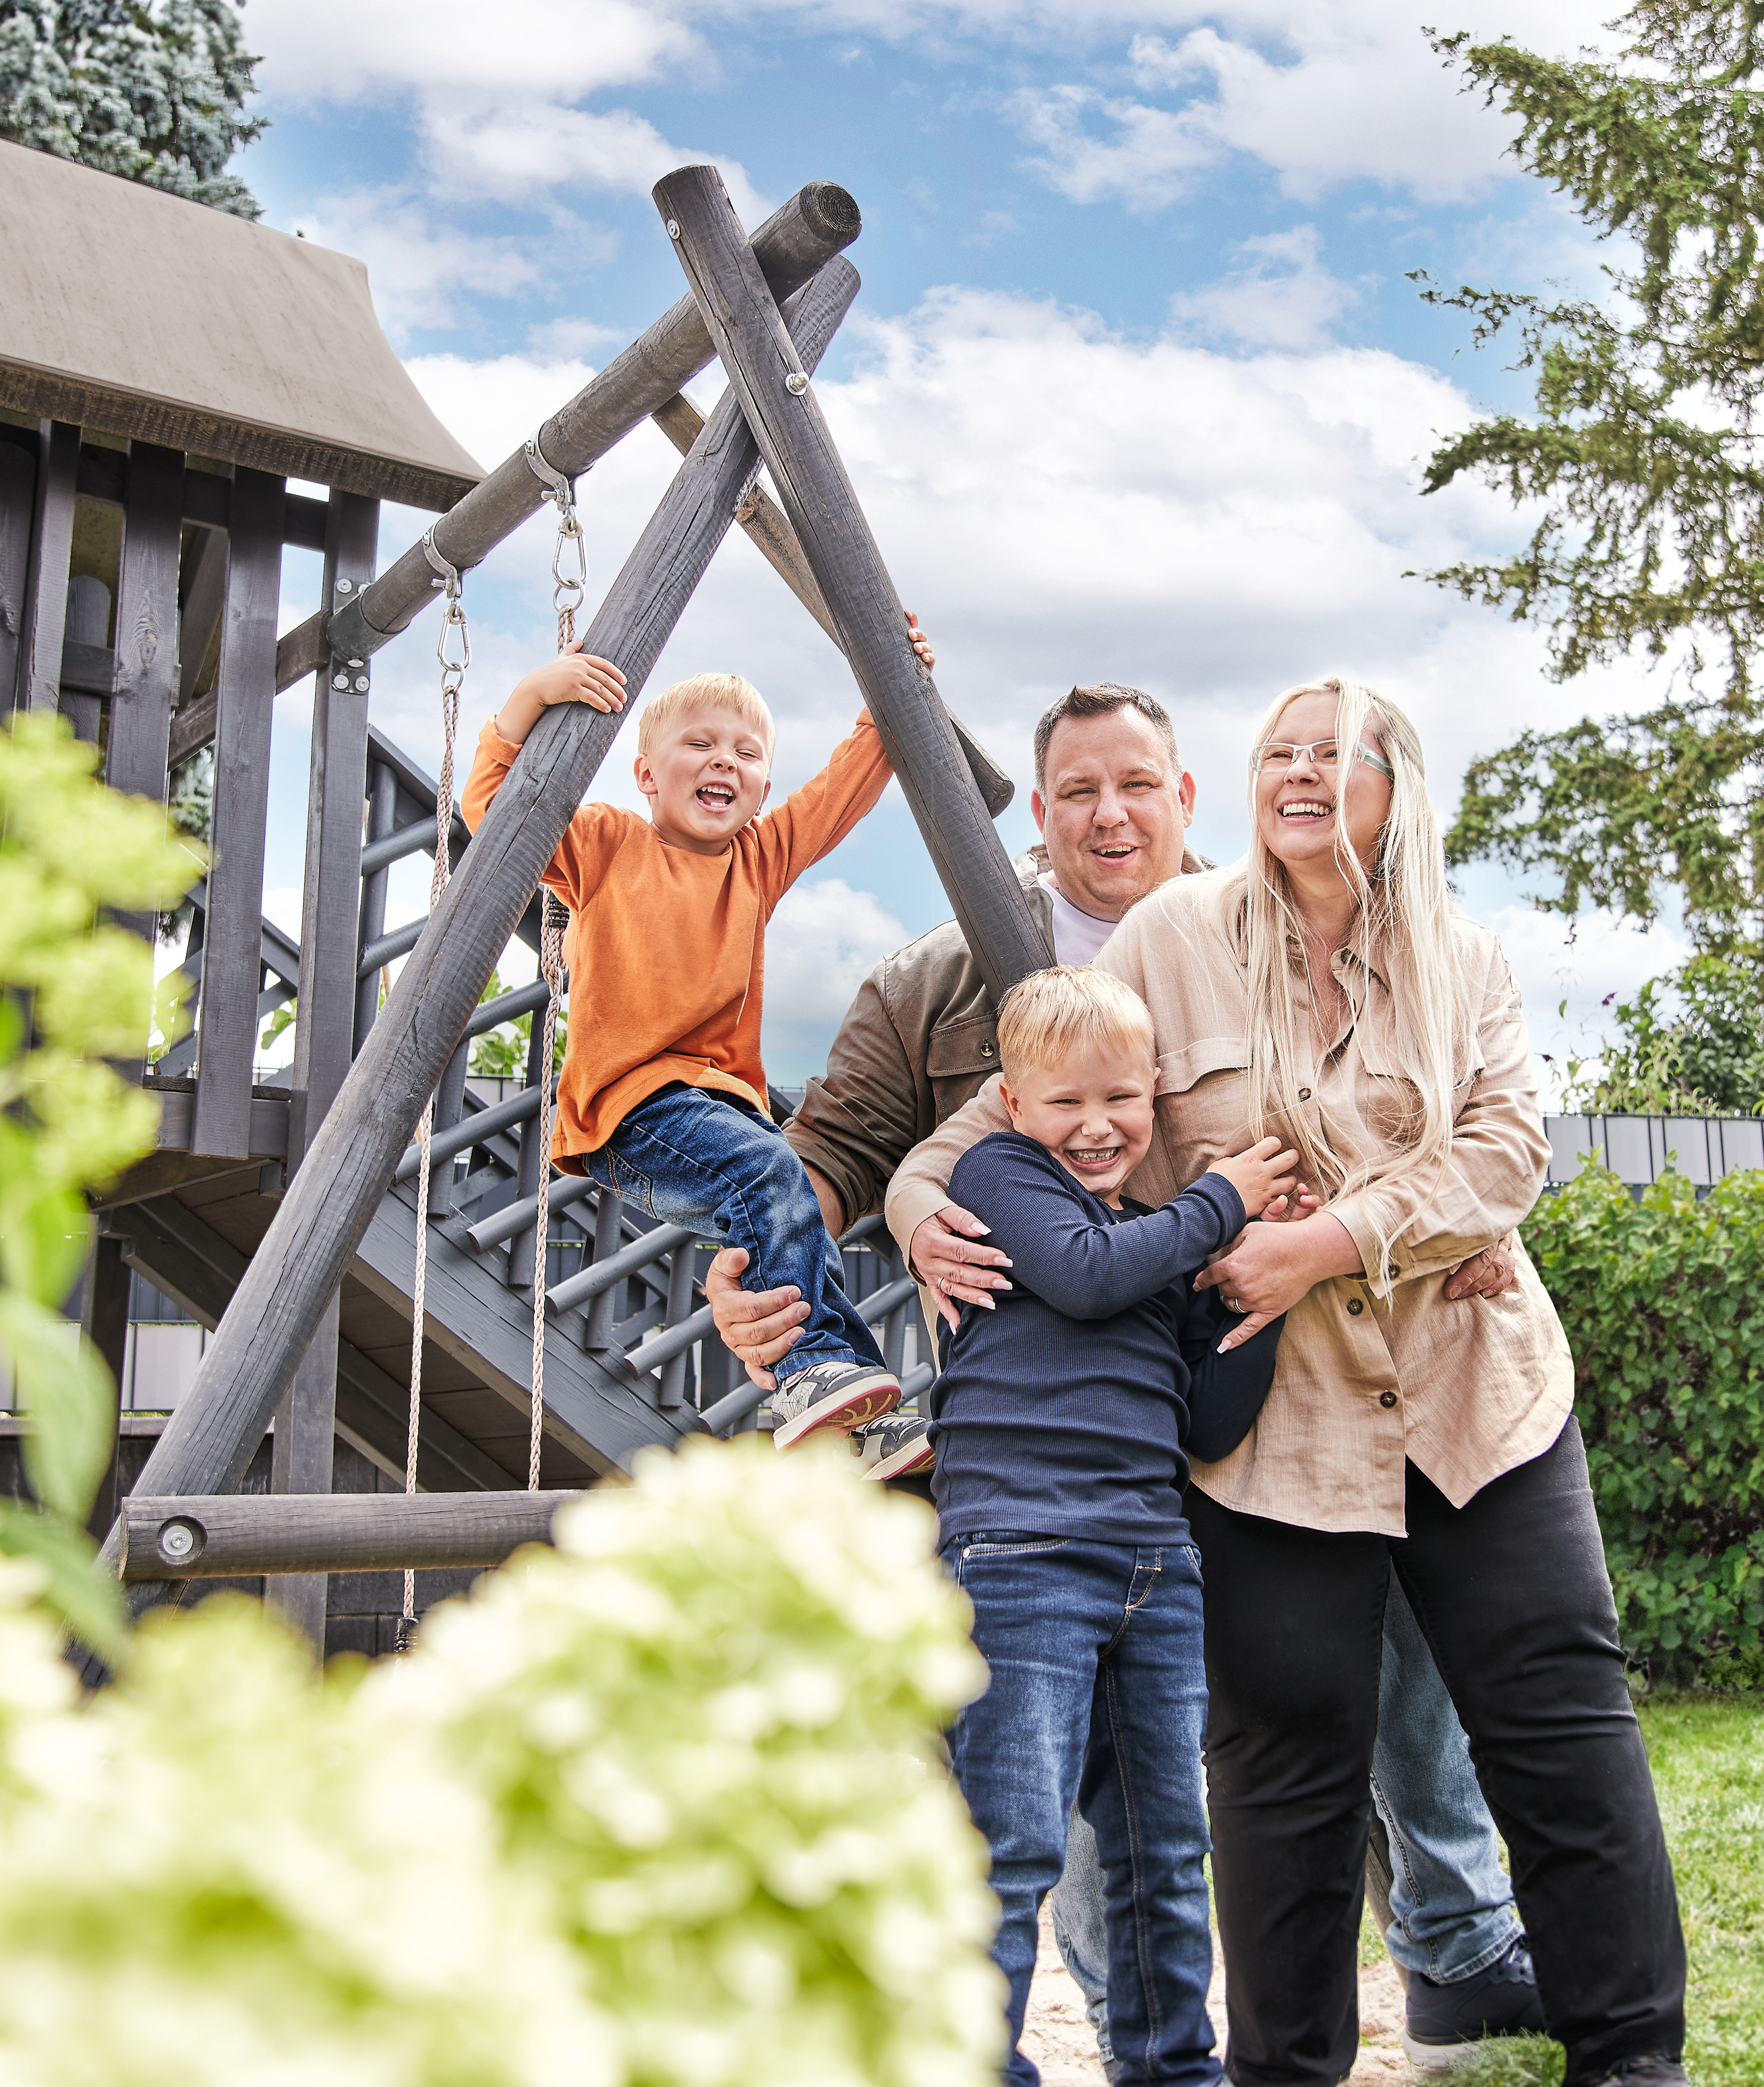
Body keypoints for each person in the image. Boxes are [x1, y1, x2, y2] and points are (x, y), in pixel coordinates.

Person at [709, 683, 1548, 2067]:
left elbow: (1420, 1107)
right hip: (1053, 1454)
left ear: (1186, 796)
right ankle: (1122, 2030)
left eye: (1138, 784)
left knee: (1373, 1645)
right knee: (1090, 1790)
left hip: (1262, 1381)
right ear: (1038, 813)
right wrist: (779, 1261)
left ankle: (1454, 1932)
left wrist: (1474, 1227)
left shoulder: (1266, 932)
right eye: (1080, 792)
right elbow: (843, 1146)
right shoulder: (938, 977)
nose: (1110, 814)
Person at [879, 676, 1690, 2087]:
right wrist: (911, 1202)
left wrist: (1327, 1240)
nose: (1299, 771)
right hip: (1279, 1427)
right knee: (1284, 1762)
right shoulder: (1174, 937)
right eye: (1280, 752)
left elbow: (1505, 1150)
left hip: (1474, 1395)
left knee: (1560, 1723)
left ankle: (1631, 2058)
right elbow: (1027, 1099)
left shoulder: (1465, 958)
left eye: (1334, 753)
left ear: (1396, 787)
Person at [933, 965, 1295, 2087]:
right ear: (1013, 1103)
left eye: (1119, 1100)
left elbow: (1211, 1422)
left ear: (1153, 1097)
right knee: (1011, 1842)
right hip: (1021, 1553)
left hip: (1153, 1562)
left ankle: (1171, 2069)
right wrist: (1223, 1199)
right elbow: (1085, 1278)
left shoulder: (1160, 1238)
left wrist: (1259, 1302)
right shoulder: (999, 1179)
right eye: (1065, 1102)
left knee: (1164, 1848)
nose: (1095, 1127)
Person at [460, 631, 935, 1465]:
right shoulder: (607, 843)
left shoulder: (759, 859)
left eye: (747, 753)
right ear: (647, 774)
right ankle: (807, 1374)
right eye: (700, 744)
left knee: (795, 1220)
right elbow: (496, 812)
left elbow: (842, 792)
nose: (724, 761)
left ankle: (853, 1414)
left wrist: (893, 679)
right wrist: (531, 697)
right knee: (769, 1172)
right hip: (630, 1106)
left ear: (761, 788)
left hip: (718, 1110)